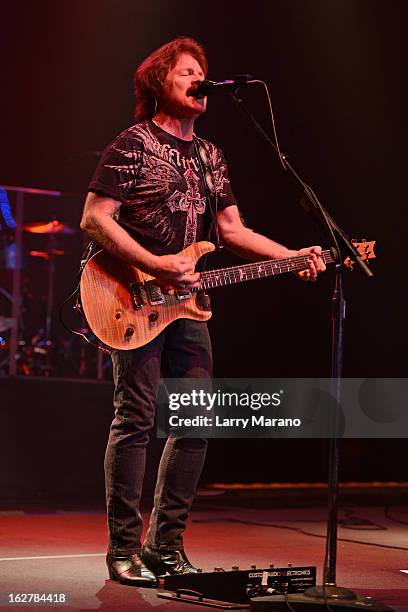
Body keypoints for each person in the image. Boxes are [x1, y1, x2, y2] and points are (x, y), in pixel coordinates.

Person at [80, 36, 326, 587]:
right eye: (186, 72)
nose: (199, 80)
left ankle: (165, 546)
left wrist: (295, 256)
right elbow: (95, 219)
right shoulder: (133, 144)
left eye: (202, 72)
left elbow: (232, 231)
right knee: (136, 418)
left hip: (188, 307)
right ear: (157, 83)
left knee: (194, 421)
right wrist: (158, 265)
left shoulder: (212, 155)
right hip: (131, 297)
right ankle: (123, 549)